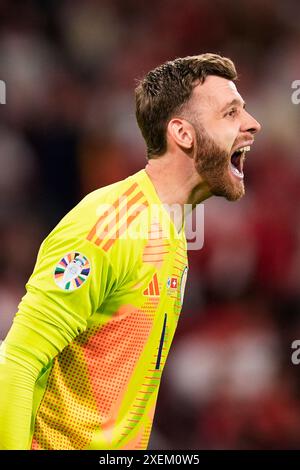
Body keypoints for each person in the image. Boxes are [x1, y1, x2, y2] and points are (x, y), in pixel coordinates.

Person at [0, 53, 261, 450]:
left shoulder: (172, 231)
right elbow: (16, 363)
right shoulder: (107, 226)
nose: (252, 123)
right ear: (183, 134)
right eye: (230, 113)